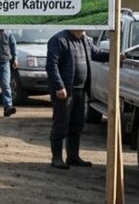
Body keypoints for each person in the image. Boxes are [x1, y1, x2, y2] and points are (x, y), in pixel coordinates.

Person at [45, 29, 110, 169]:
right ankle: (56, 158)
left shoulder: (85, 40)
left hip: (81, 90)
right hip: (64, 91)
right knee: (61, 125)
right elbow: (51, 65)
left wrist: (115, 55)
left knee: (77, 125)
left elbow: (97, 53)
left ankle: (73, 156)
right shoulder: (59, 40)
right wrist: (59, 86)